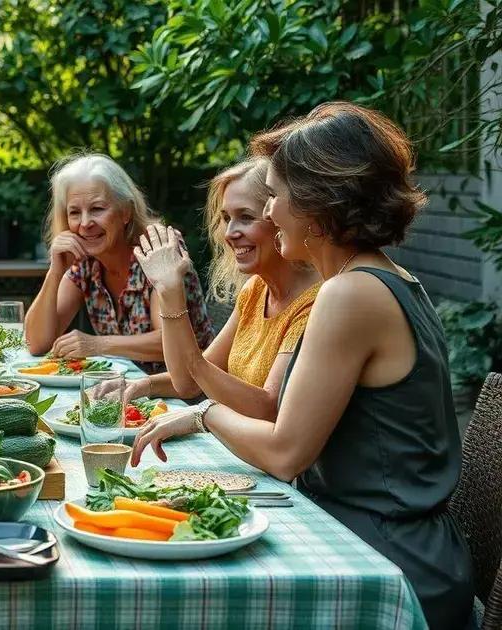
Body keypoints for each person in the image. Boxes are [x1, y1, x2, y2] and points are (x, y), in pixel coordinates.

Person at [131, 102, 473, 629]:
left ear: (319, 203)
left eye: (275, 197)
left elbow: (286, 452)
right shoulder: (389, 279)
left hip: (388, 567)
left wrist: (203, 416)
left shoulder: (350, 294)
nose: (268, 214)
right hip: (386, 542)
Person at [124, 158, 321, 419]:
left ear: (281, 217)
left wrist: (201, 416)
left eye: (246, 217)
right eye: (226, 218)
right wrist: (140, 385)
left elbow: (268, 408)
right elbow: (190, 382)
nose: (229, 233)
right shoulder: (255, 289)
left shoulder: (317, 300)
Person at [24, 153, 213, 374]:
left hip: (187, 391)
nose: (85, 223)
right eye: (75, 212)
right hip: (127, 388)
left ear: (125, 212)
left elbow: (170, 341)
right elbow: (36, 343)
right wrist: (55, 272)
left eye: (97, 209)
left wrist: (99, 345)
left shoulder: (157, 247)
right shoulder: (84, 263)